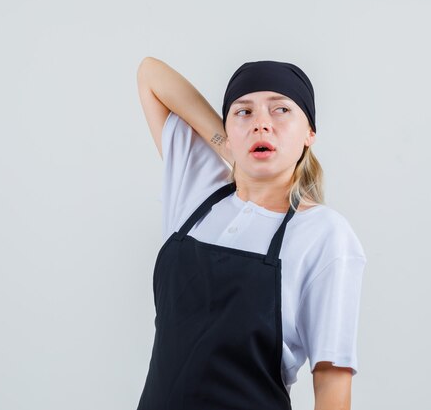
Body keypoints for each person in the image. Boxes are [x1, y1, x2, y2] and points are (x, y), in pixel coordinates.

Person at [135, 56, 367, 410]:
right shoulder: (195, 191)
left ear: (310, 134)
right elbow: (151, 74)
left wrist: (241, 138)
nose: (261, 124)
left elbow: (331, 381)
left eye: (281, 110)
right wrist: (227, 145)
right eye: (244, 112)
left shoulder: (323, 233)